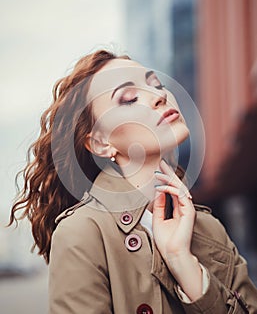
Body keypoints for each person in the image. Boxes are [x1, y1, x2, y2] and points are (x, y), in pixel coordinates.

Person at [9, 50, 257, 313]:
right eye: (129, 99)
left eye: (156, 84)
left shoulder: (209, 229)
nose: (159, 96)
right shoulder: (82, 233)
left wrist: (182, 260)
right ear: (100, 143)